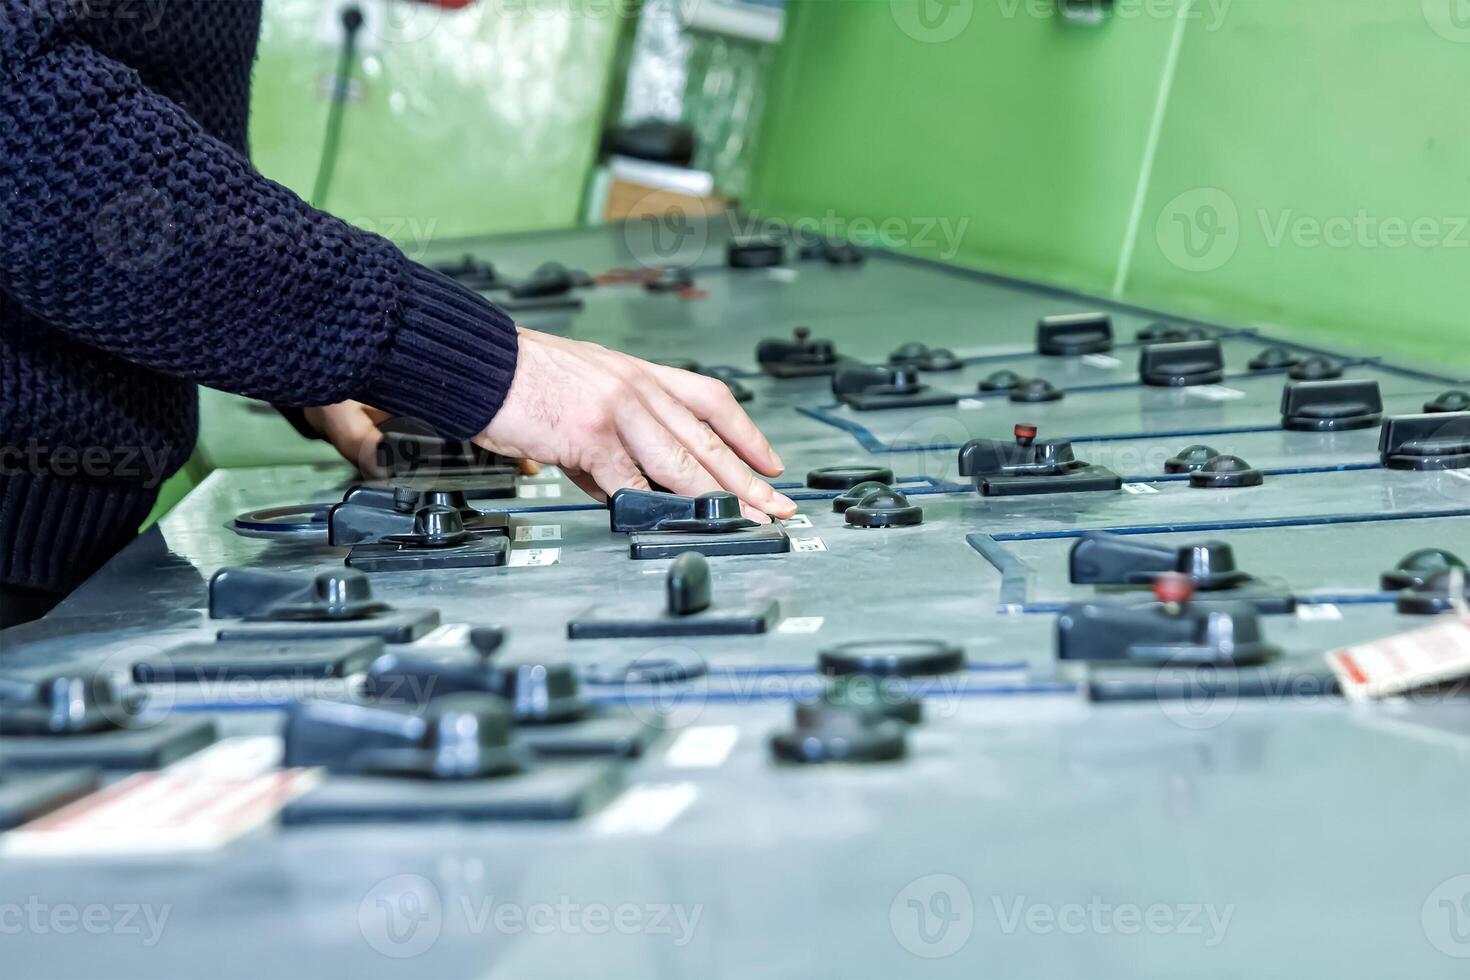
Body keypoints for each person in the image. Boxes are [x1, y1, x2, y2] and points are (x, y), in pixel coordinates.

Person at [0, 0, 796, 627]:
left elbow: (160, 135)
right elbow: (26, 128)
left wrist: (305, 355)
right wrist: (484, 366)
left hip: (57, 554)